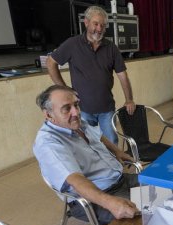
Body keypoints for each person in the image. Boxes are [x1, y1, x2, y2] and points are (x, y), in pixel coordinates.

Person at [33, 85, 140, 225]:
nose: (76, 112)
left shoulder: (78, 123)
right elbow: (75, 180)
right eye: (66, 108)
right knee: (148, 218)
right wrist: (110, 203)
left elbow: (99, 136)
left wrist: (117, 151)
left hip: (119, 179)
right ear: (49, 114)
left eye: (76, 105)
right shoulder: (48, 143)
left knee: (165, 187)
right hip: (96, 197)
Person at [46, 6, 135, 145]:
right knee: (87, 143)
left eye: (103, 25)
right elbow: (51, 63)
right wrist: (64, 89)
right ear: (86, 22)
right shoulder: (72, 44)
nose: (99, 29)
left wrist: (129, 99)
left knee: (111, 142)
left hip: (107, 108)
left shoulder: (111, 48)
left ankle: (114, 167)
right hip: (82, 109)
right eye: (96, 24)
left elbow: (123, 76)